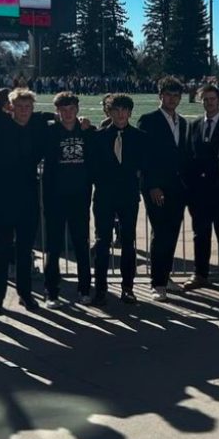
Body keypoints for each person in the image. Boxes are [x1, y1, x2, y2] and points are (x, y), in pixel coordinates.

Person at [0, 89, 48, 314]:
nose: (24, 111)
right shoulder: (0, 127)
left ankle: (26, 295)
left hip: (28, 199)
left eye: (28, 107)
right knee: (1, 252)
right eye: (20, 107)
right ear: (11, 108)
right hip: (2, 198)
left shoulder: (37, 127)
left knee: (25, 251)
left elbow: (49, 118)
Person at [138, 77, 192, 300]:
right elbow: (145, 158)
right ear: (160, 96)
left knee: (172, 232)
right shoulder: (148, 120)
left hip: (177, 187)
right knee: (160, 232)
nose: (172, 99)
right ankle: (157, 282)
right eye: (168, 94)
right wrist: (152, 185)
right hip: (157, 187)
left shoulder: (183, 122)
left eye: (176, 95)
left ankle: (166, 276)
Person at [88, 94, 144, 305]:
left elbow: (144, 165)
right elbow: (91, 167)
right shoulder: (98, 137)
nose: (121, 114)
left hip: (128, 196)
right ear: (109, 113)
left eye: (124, 110)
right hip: (104, 195)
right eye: (116, 110)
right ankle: (100, 289)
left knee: (128, 242)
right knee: (102, 243)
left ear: (130, 112)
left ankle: (127, 288)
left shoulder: (140, 137)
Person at [41, 91, 94, 307]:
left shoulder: (87, 132)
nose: (68, 113)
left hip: (80, 196)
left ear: (78, 110)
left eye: (72, 109)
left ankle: (84, 290)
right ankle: (51, 292)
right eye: (63, 110)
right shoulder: (51, 132)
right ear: (57, 112)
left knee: (81, 244)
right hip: (55, 197)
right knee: (53, 247)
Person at [184, 84, 219, 290]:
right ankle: (200, 274)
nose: (209, 102)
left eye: (212, 99)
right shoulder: (194, 124)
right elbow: (188, 156)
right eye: (205, 99)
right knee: (200, 234)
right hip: (199, 193)